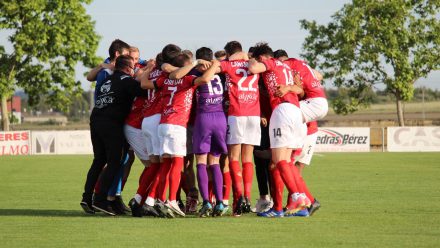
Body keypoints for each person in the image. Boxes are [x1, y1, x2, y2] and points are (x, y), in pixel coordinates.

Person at [140, 50, 217, 217]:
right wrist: (216, 64)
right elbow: (205, 79)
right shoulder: (188, 80)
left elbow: (146, 82)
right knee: (176, 164)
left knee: (166, 165)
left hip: (164, 124)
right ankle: (172, 200)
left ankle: (159, 199)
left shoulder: (165, 79)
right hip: (177, 125)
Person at [81, 55, 153, 216]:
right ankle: (100, 200)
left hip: (96, 121)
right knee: (116, 161)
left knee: (99, 160)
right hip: (111, 124)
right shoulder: (127, 81)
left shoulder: (107, 79)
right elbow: (145, 90)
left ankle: (87, 198)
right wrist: (148, 70)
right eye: (134, 66)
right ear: (128, 68)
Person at [248, 42, 306, 217]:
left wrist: (249, 60)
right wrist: (288, 88)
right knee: (285, 162)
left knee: (278, 160)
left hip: (282, 111)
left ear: (262, 57)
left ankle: (296, 196)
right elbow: (299, 89)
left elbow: (253, 69)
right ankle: (288, 206)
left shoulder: (271, 62)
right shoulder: (286, 66)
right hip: (296, 111)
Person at [170, 47, 228, 217]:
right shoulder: (222, 72)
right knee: (215, 162)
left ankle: (207, 203)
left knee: (201, 162)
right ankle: (220, 202)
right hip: (220, 118)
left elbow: (175, 75)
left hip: (203, 118)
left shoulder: (195, 72)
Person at [215, 41, 261, 216]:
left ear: (228, 53)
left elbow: (215, 67)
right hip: (254, 113)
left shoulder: (228, 64)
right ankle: (248, 197)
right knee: (247, 158)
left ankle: (239, 198)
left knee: (233, 158)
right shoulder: (254, 63)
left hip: (237, 112)